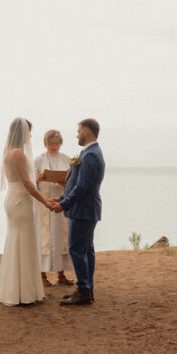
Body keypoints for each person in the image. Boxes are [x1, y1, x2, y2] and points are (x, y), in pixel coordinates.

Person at [0, 118, 54, 306]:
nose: (31, 136)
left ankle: (15, 289)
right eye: (29, 132)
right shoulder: (18, 153)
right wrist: (45, 201)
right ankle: (23, 293)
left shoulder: (7, 152)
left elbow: (22, 180)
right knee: (23, 241)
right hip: (20, 202)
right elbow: (26, 183)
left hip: (14, 198)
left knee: (16, 241)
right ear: (23, 133)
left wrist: (37, 179)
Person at [51, 118, 105, 306]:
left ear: (87, 132)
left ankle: (83, 291)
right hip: (85, 208)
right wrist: (63, 198)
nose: (77, 134)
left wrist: (64, 205)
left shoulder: (90, 155)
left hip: (83, 209)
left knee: (76, 249)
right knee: (87, 249)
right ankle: (86, 289)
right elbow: (80, 184)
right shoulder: (90, 152)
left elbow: (82, 187)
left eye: (79, 130)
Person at [34, 129, 74, 287]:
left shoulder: (67, 160)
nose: (54, 146)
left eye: (56, 143)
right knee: (43, 238)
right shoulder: (38, 161)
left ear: (60, 143)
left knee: (61, 238)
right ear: (45, 144)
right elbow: (30, 184)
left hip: (60, 203)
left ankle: (61, 273)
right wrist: (37, 179)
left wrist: (64, 182)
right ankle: (42, 274)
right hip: (44, 203)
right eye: (51, 143)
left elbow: (73, 182)